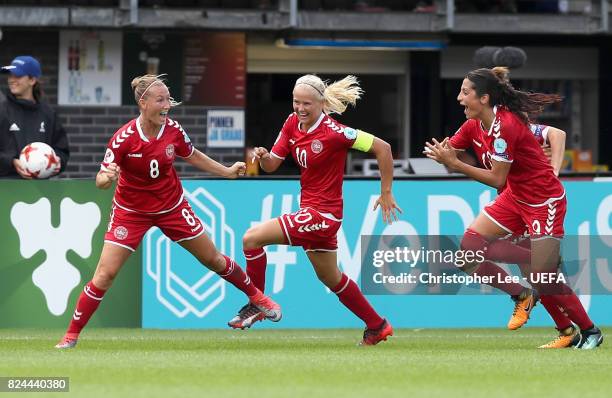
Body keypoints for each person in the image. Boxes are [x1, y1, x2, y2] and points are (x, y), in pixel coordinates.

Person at [55, 74, 281, 349]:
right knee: (105, 275)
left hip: (172, 207)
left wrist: (226, 171)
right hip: (131, 211)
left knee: (213, 259)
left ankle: (258, 299)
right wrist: (107, 176)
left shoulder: (173, 130)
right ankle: (70, 336)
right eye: (161, 100)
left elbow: (193, 154)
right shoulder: (123, 139)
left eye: (168, 100)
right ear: (143, 103)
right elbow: (101, 180)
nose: (167, 106)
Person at [425, 67, 603, 349]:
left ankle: (590, 331)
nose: (459, 98)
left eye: (465, 92)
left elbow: (497, 177)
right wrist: (442, 155)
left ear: (484, 98)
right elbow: (452, 152)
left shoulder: (507, 125)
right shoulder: (473, 125)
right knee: (468, 253)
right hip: (515, 198)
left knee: (542, 277)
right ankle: (522, 295)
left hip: (543, 202)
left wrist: (456, 163)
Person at [227, 74, 402, 345]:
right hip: (311, 212)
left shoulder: (336, 133)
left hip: (324, 215)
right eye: (296, 102)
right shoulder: (291, 123)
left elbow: (384, 148)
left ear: (322, 103)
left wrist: (386, 192)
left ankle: (257, 302)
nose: (300, 108)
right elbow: (273, 164)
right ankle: (377, 325)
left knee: (252, 238)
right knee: (331, 277)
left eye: (307, 103)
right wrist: (264, 156)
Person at [0, 55, 69, 178]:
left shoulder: (48, 113)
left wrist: (57, 162)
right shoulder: (2, 109)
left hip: (39, 191)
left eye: (18, 75)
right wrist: (11, 162)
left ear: (32, 80)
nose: (11, 80)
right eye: (10, 75)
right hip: (5, 188)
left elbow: (62, 150)